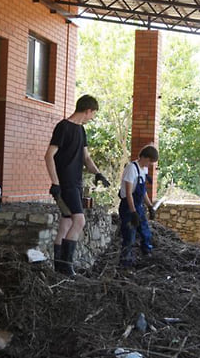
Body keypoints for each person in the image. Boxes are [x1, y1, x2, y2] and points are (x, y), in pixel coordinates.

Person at [44, 95, 110, 275]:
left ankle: (58, 267)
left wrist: (98, 173)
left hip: (76, 183)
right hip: (65, 184)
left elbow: (86, 158)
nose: (92, 118)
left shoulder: (81, 131)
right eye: (93, 114)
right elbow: (49, 155)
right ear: (88, 110)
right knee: (79, 221)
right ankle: (67, 266)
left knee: (66, 223)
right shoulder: (63, 127)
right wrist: (55, 183)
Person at [118, 145, 159, 267]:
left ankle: (147, 256)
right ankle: (125, 262)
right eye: (150, 161)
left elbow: (143, 191)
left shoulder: (144, 169)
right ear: (144, 157)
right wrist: (133, 212)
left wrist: (150, 206)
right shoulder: (131, 168)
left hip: (139, 206)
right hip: (128, 207)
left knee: (145, 232)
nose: (151, 164)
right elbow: (129, 193)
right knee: (129, 236)